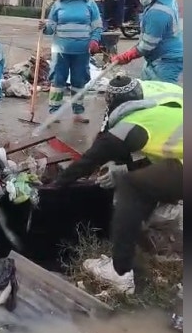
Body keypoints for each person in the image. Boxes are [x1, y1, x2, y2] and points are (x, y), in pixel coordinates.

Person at [52, 75, 183, 294]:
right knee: (150, 177)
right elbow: (161, 143)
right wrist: (125, 165)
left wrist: (58, 184)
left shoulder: (130, 126)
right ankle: (161, 231)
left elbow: (91, 158)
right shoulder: (156, 91)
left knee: (131, 187)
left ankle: (121, 272)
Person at [40, 0, 103, 123]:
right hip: (61, 51)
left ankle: (78, 112)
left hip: (82, 51)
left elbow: (97, 26)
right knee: (58, 81)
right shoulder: (58, 5)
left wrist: (95, 40)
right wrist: (44, 26)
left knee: (79, 81)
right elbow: (50, 29)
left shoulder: (90, 4)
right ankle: (54, 111)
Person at [111, 0, 183, 83]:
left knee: (162, 96)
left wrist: (125, 56)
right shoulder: (166, 1)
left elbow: (147, 45)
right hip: (160, 57)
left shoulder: (158, 12)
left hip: (167, 60)